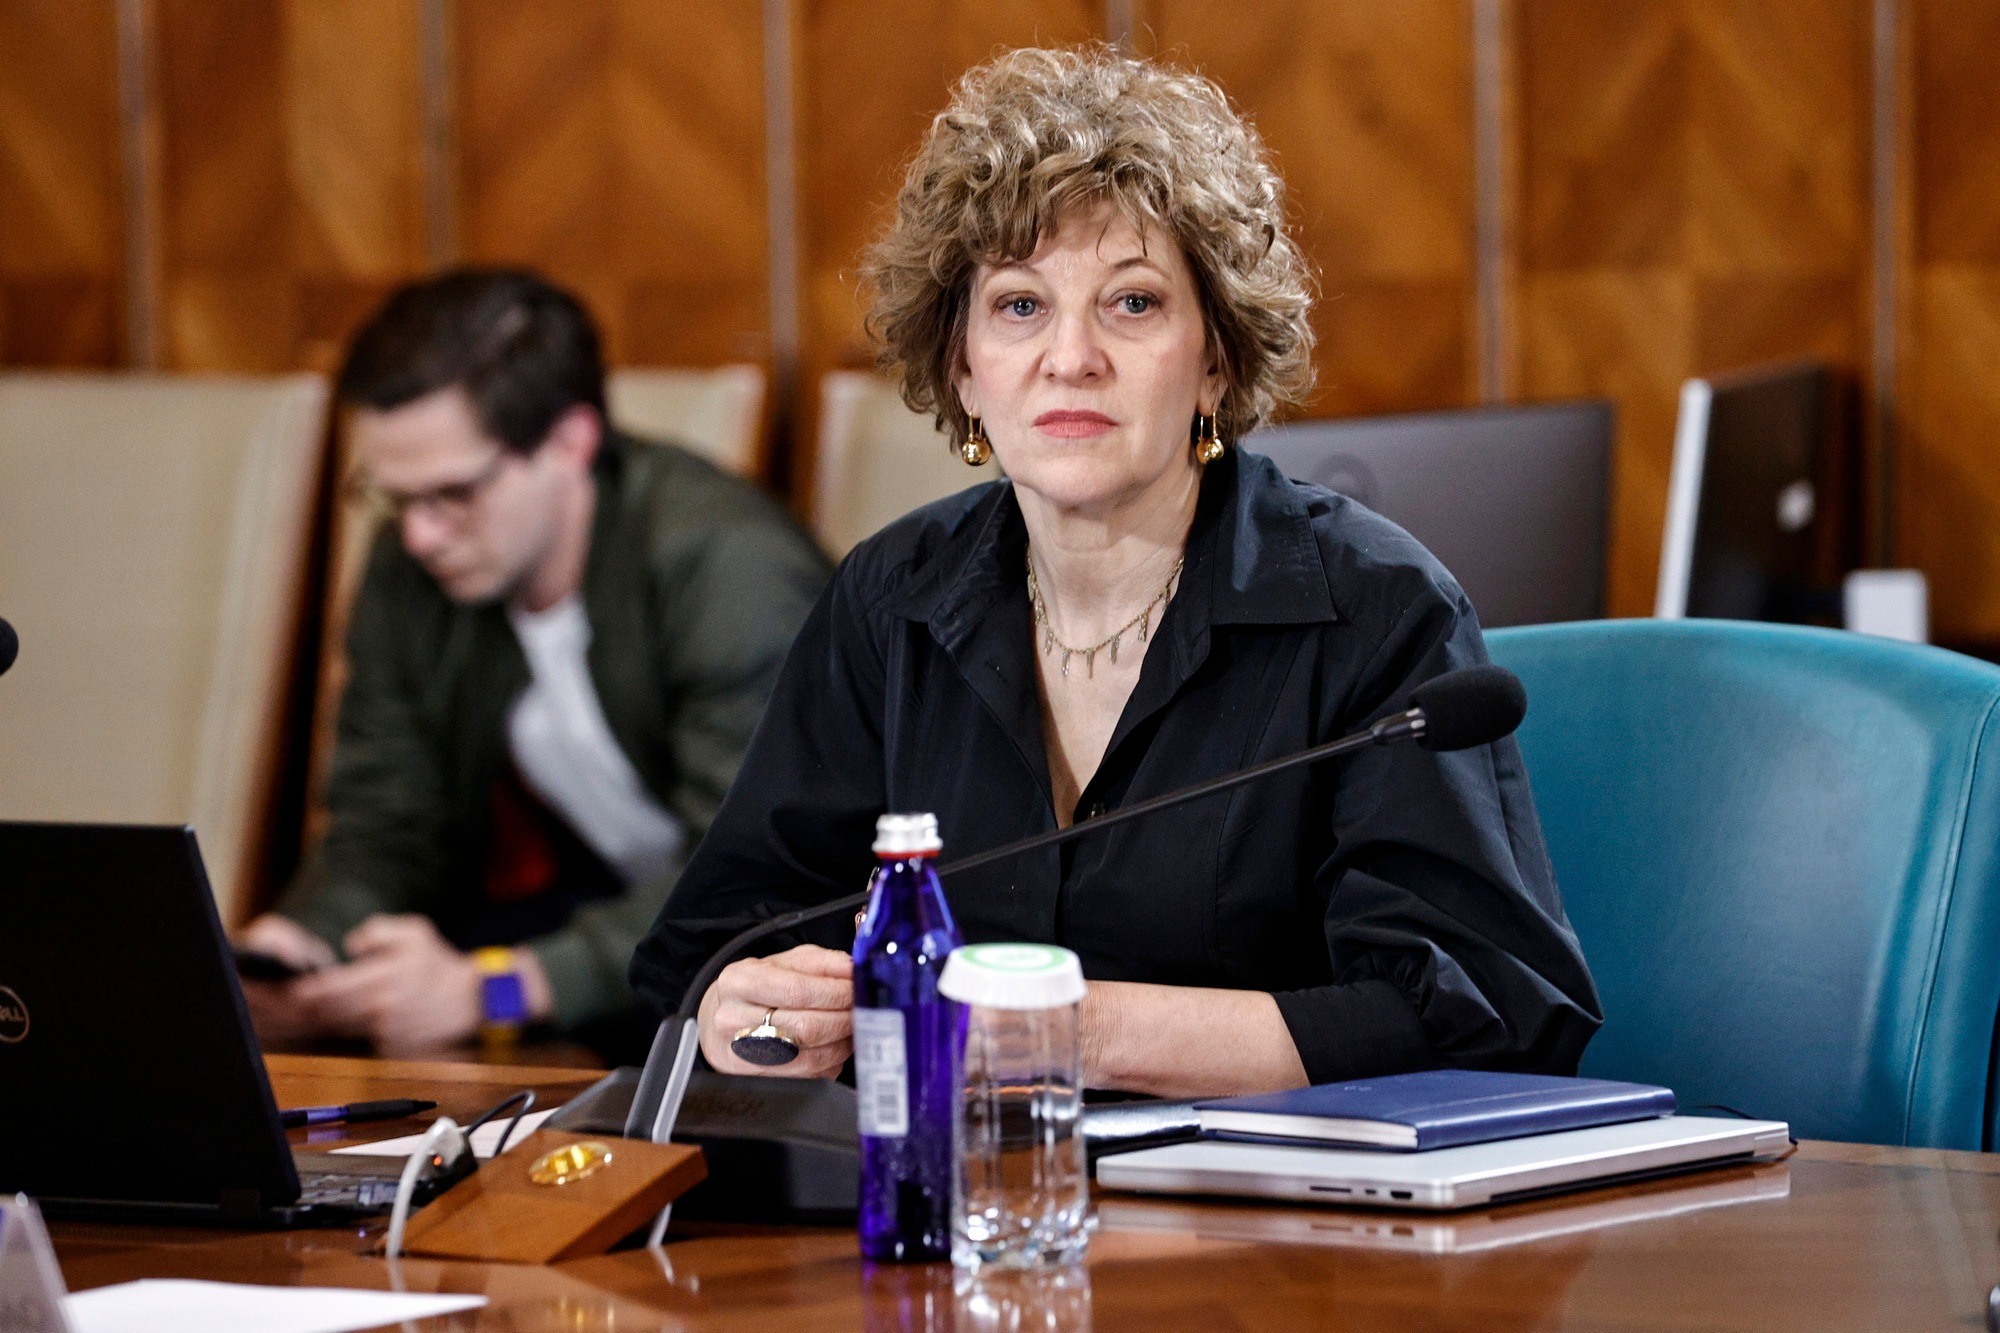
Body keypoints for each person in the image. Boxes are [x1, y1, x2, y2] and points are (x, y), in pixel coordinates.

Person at [630, 47, 1600, 1097]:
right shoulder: (889, 602)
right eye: (1019, 306)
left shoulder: (1374, 609)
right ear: (962, 368)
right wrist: (745, 1004)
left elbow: (1481, 1013)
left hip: (1283, 1197)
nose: (1071, 356)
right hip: (957, 1185)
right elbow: (714, 945)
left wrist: (1075, 1032)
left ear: (1216, 357)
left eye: (1131, 303)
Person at [239, 269, 831, 1059]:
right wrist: (301, 944)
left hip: (792, 954)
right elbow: (387, 817)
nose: (419, 535)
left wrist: (494, 988)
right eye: (394, 497)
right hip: (615, 918)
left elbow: (760, 873)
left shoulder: (731, 568)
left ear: (570, 442)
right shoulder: (414, 566)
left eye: (453, 493)